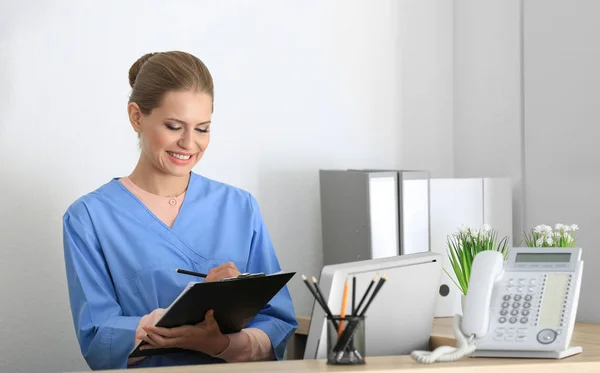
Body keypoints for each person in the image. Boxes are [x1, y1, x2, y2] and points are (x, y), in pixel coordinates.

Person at [62, 51, 297, 370]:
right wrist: (163, 324)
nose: (189, 143)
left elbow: (277, 322)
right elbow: (96, 338)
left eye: (202, 128)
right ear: (136, 117)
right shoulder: (89, 217)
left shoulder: (239, 207)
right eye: (174, 126)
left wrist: (221, 344)